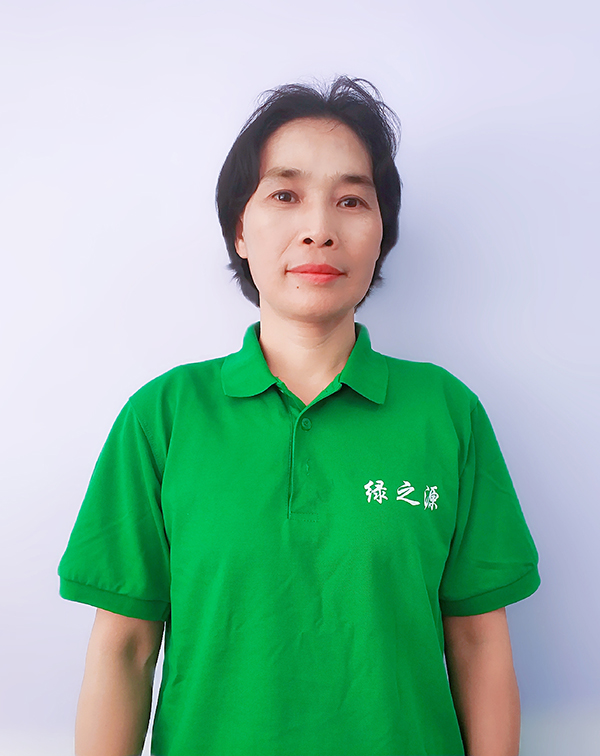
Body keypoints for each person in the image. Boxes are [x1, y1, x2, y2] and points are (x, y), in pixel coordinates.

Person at [58, 77, 540, 756]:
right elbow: (125, 648)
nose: (320, 228)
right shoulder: (164, 416)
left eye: (351, 200)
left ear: (381, 234)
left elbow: (478, 641)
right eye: (285, 195)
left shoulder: (446, 412)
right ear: (240, 230)